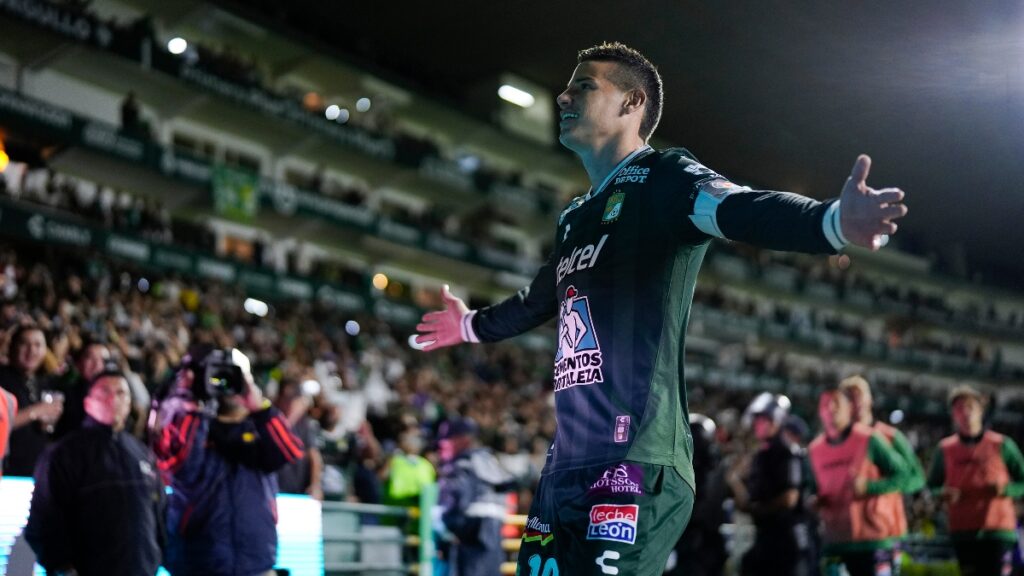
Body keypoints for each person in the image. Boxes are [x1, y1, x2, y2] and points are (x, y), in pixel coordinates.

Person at [414, 41, 908, 575]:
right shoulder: (575, 217)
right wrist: (466, 325)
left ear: (632, 103)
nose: (562, 96)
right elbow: (538, 300)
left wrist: (831, 222)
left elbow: (741, 207)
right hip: (564, 471)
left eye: (583, 85)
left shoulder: (666, 178)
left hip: (636, 463)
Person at [153, 346, 305, 576]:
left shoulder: (259, 429)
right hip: (199, 565)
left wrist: (260, 408)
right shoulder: (186, 425)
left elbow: (290, 451)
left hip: (256, 563)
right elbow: (183, 469)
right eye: (215, 376)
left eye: (236, 376)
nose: (227, 385)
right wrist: (196, 406)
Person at [25, 370, 164, 576]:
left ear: (129, 403)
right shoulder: (64, 454)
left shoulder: (141, 453)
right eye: (105, 392)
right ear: (88, 402)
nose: (113, 399)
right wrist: (63, 568)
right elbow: (42, 522)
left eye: (121, 393)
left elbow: (159, 516)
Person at [808, 387, 912, 576]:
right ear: (819, 411)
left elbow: (905, 474)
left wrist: (871, 487)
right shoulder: (815, 449)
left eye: (836, 403)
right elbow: (813, 488)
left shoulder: (869, 439)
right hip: (835, 540)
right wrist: (815, 500)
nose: (830, 408)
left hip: (871, 540)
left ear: (849, 409)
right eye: (825, 404)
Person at [927, 385, 1024, 576]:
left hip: (998, 529)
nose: (965, 413)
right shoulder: (945, 449)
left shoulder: (1002, 444)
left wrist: (1006, 489)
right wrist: (942, 493)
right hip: (963, 529)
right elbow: (931, 486)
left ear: (980, 410)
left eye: (970, 406)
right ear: (953, 415)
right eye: (959, 408)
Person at [840, 374, 925, 571]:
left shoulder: (890, 436)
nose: (856, 401)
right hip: (848, 534)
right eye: (849, 397)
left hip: (884, 532)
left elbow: (917, 478)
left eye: (860, 395)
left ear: (870, 399)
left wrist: (872, 487)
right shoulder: (837, 442)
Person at [729, 393, 813, 576]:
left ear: (776, 421)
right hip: (765, 536)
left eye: (763, 420)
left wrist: (758, 509)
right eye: (757, 420)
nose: (757, 425)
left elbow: (789, 498)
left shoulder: (786, 451)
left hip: (786, 541)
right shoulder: (761, 455)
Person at [435, 417, 514, 576]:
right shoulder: (489, 460)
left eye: (447, 442)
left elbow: (456, 500)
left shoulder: (463, 464)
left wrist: (449, 531)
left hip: (471, 532)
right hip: (493, 531)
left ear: (462, 440)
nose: (442, 447)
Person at [0, 325, 62, 476]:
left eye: (38, 345)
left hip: (35, 469)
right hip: (9, 472)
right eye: (24, 343)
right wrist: (36, 411)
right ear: (12, 347)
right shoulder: (2, 378)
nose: (32, 350)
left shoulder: (42, 381)